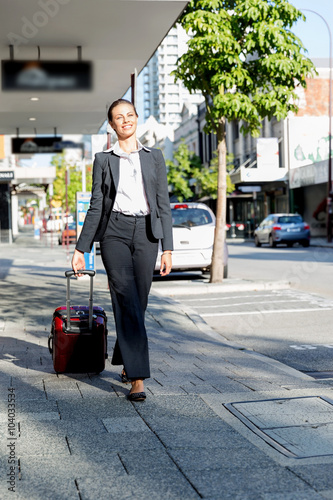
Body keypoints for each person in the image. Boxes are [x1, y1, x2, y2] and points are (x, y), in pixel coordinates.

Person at [72, 98, 173, 402]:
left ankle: (127, 359)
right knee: (125, 297)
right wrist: (81, 248)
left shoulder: (154, 157)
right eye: (119, 117)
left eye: (129, 115)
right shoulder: (104, 160)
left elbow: (163, 205)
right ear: (112, 125)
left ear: (136, 119)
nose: (125, 120)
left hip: (147, 234)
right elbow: (96, 205)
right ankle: (138, 377)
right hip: (114, 232)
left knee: (137, 302)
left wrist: (168, 247)